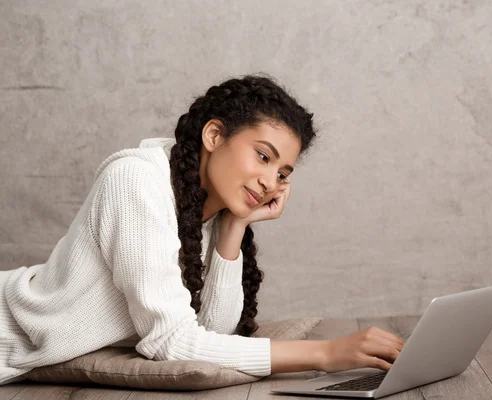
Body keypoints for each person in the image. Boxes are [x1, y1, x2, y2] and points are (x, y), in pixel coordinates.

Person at [0, 75, 405, 386]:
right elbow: (171, 342)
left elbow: (210, 333)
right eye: (263, 156)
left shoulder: (210, 207)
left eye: (282, 173)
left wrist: (236, 225)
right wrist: (326, 353)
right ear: (214, 135)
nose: (270, 181)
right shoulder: (136, 180)